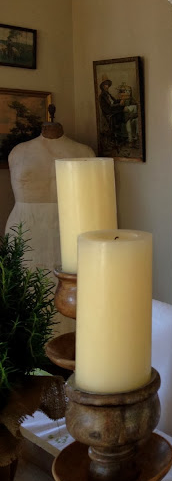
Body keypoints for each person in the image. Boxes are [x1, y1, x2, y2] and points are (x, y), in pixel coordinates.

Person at [5, 109, 95, 335]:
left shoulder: (84, 152)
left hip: (70, 225)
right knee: (27, 287)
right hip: (26, 225)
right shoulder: (19, 151)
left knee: (69, 285)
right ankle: (28, 345)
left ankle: (68, 340)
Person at [98, 74, 126, 144]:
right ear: (102, 86)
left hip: (113, 110)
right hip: (109, 113)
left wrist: (121, 100)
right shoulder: (102, 96)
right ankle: (117, 137)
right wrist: (119, 105)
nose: (107, 86)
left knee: (124, 109)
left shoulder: (108, 94)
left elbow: (114, 101)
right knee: (121, 112)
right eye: (105, 85)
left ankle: (122, 135)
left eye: (107, 84)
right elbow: (107, 108)